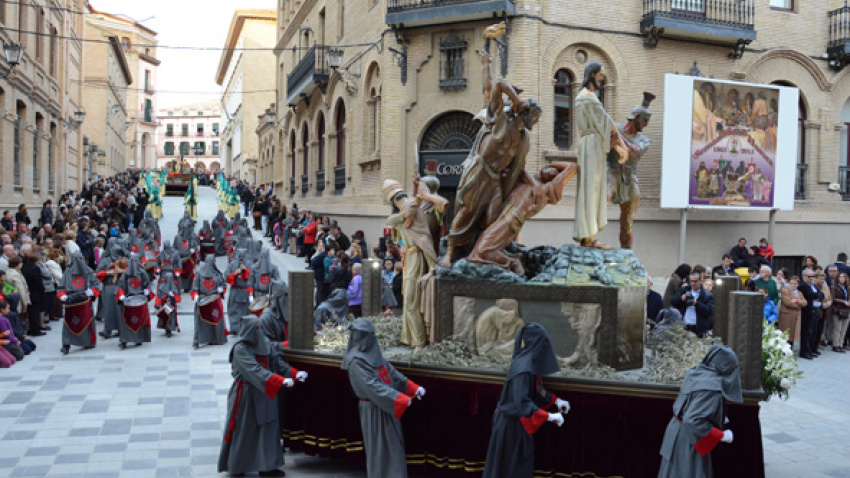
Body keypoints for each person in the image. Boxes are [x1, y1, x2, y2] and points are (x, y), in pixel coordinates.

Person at [441, 28, 541, 265]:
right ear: (523, 111)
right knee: (465, 212)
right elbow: (494, 84)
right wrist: (515, 99)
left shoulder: (522, 139)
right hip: (478, 172)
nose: (535, 121)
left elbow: (519, 168)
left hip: (494, 178)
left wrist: (534, 185)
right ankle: (450, 252)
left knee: (493, 218)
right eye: (534, 116)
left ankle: (488, 251)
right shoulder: (500, 120)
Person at [217, 315, 307, 477]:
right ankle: (238, 466)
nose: (260, 332)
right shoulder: (240, 349)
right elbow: (254, 370)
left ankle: (268, 466)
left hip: (265, 394)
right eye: (256, 329)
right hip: (246, 395)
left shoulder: (263, 343)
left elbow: (277, 362)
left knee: (268, 429)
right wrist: (280, 381)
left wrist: (294, 373)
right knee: (244, 430)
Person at [482, 323, 570, 478]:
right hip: (509, 428)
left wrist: (556, 401)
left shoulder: (526, 361)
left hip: (515, 426)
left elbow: (535, 389)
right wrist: (549, 416)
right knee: (510, 471)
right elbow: (521, 402)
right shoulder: (524, 367)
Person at [342, 317, 425, 478]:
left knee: (393, 447)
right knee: (380, 449)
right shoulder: (356, 362)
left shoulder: (374, 354)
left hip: (388, 405)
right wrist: (399, 399)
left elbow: (391, 373)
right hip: (374, 410)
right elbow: (372, 387)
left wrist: (413, 388)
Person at [657, 345, 741, 478]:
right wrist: (721, 435)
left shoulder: (696, 373)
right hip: (690, 440)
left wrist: (717, 415)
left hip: (675, 432)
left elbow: (689, 405)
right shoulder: (713, 387)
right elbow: (693, 420)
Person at [57, 252, 102, 355]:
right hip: (71, 301)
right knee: (69, 324)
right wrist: (63, 296)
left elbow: (96, 284)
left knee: (86, 322)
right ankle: (66, 344)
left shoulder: (88, 271)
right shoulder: (67, 272)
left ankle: (88, 341)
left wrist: (91, 291)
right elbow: (61, 287)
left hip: (85, 301)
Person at [115, 255, 152, 349]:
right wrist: (122, 295)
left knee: (140, 319)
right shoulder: (126, 274)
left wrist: (147, 291)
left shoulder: (143, 273)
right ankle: (124, 340)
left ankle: (139, 338)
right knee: (125, 321)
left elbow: (147, 284)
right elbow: (120, 286)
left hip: (140, 298)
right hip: (128, 298)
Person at [191, 255, 228, 349]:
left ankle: (217, 338)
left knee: (216, 319)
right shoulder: (199, 274)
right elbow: (195, 287)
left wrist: (221, 289)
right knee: (199, 321)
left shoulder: (218, 274)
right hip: (203, 299)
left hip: (214, 300)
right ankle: (197, 340)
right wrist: (195, 295)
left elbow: (223, 285)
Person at [671, 272, 714, 337]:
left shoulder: (707, 295)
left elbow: (709, 311)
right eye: (691, 281)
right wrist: (681, 299)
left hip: (699, 329)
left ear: (700, 281)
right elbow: (672, 301)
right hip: (684, 326)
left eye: (695, 281)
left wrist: (696, 304)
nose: (692, 284)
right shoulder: (684, 290)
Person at [226, 249, 253, 336]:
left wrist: (246, 270)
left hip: (245, 290)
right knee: (234, 309)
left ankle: (246, 327)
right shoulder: (231, 265)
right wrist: (234, 273)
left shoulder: (250, 265)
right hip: (235, 289)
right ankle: (234, 328)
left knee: (246, 309)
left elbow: (254, 277)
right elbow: (226, 276)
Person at [799, 268, 824, 360]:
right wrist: (817, 296)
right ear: (804, 277)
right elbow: (810, 295)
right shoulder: (803, 286)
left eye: (813, 276)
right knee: (807, 332)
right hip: (808, 311)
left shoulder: (813, 285)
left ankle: (810, 350)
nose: (811, 278)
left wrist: (818, 296)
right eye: (809, 277)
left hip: (816, 310)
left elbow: (822, 295)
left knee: (813, 332)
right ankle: (804, 351)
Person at [778, 275, 806, 347]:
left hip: (796, 316)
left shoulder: (799, 292)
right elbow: (788, 302)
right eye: (791, 283)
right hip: (787, 316)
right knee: (785, 334)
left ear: (798, 284)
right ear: (789, 283)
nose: (793, 285)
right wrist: (798, 305)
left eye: (795, 284)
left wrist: (796, 301)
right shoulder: (785, 290)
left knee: (793, 335)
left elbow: (805, 302)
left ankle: (790, 352)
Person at [154, 271, 181, 338]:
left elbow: (178, 298)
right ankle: (166, 329)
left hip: (171, 306)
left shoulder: (174, 288)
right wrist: (157, 304)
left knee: (171, 318)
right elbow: (158, 297)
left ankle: (170, 329)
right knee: (164, 318)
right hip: (164, 305)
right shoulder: (161, 288)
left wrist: (173, 296)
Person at [829, 272, 850, 353]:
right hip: (837, 310)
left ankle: (841, 345)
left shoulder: (847, 288)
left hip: (846, 310)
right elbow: (833, 298)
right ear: (837, 278)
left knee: (844, 329)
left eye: (844, 277)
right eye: (840, 277)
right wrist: (844, 302)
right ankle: (835, 345)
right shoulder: (834, 287)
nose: (842, 279)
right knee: (838, 328)